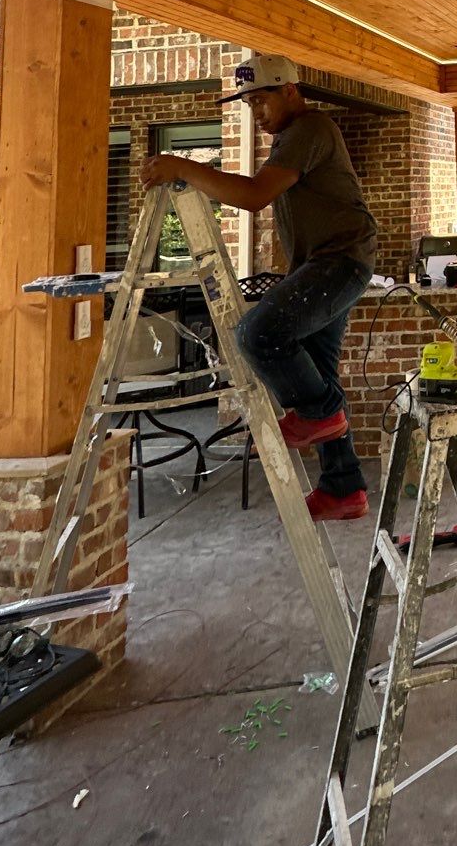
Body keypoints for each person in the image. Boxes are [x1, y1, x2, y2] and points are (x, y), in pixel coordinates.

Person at [141, 51, 377, 521]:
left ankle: (318, 416)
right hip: (324, 265)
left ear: (290, 90)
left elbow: (252, 196)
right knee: (320, 376)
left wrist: (182, 167)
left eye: (262, 100)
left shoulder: (309, 129)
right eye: (248, 104)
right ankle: (343, 488)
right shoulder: (290, 136)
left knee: (256, 334)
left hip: (340, 261)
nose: (256, 111)